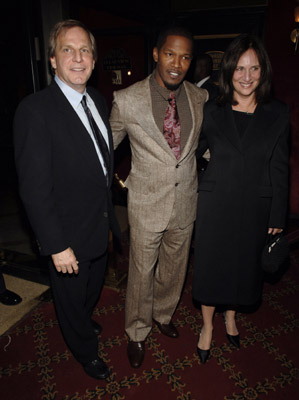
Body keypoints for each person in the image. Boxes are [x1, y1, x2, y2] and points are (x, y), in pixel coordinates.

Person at [13, 19, 120, 379]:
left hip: (97, 224)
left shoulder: (99, 100)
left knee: (89, 293)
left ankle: (81, 322)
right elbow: (33, 188)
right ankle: (85, 351)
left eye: (85, 49)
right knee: (71, 301)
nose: (78, 58)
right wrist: (57, 245)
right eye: (67, 50)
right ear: (53, 61)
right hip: (66, 234)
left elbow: (98, 162)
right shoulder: (35, 110)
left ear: (93, 57)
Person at [110, 25, 208, 368]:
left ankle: (164, 314)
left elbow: (202, 147)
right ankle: (137, 332)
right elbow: (104, 149)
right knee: (140, 273)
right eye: (170, 54)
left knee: (175, 267)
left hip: (186, 202)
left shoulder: (199, 97)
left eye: (184, 57)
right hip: (146, 203)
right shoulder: (127, 99)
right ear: (156, 54)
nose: (176, 63)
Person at [192, 33, 289, 364]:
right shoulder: (211, 110)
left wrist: (278, 216)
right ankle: (207, 326)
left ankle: (230, 317)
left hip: (255, 207)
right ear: (229, 70)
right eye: (240, 68)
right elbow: (194, 153)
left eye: (255, 69)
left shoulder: (277, 113)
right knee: (210, 266)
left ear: (263, 73)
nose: (247, 77)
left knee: (241, 268)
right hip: (215, 204)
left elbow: (280, 168)